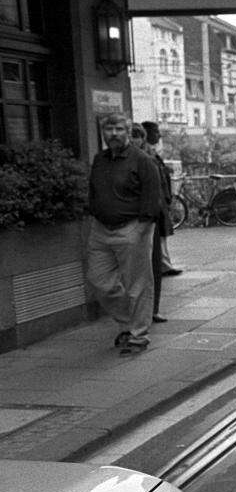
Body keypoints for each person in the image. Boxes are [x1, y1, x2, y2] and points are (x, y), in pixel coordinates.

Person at [86, 113, 163, 355]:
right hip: (101, 230)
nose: (114, 134)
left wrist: (141, 229)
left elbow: (154, 197)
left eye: (119, 129)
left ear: (128, 132)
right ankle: (129, 324)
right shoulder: (100, 159)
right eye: (109, 129)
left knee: (137, 284)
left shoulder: (142, 161)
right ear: (103, 133)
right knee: (99, 282)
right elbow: (93, 191)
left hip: (132, 228)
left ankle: (138, 335)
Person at [131, 124, 170, 324]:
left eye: (136, 136)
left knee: (152, 266)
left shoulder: (149, 158)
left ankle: (152, 309)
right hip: (129, 220)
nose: (133, 140)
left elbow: (159, 188)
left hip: (148, 219)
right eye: (131, 136)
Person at [142, 121, 182, 278]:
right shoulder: (146, 154)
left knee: (161, 232)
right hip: (156, 199)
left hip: (161, 198)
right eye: (156, 132)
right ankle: (162, 265)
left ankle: (164, 263)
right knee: (157, 232)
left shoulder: (152, 153)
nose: (159, 135)